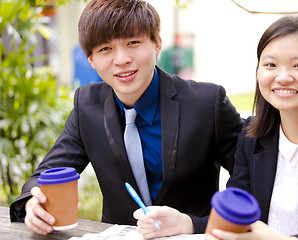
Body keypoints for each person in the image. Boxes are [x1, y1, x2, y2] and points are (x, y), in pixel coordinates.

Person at [9, 0, 243, 236]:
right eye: (105, 49)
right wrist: (33, 201)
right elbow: (47, 173)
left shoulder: (207, 103)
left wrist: (196, 224)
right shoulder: (87, 105)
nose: (121, 59)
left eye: (133, 42)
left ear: (156, 44)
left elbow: (252, 179)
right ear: (91, 59)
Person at [134, 16, 298, 240]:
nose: (282, 77)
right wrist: (187, 222)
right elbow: (235, 216)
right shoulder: (253, 135)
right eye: (270, 65)